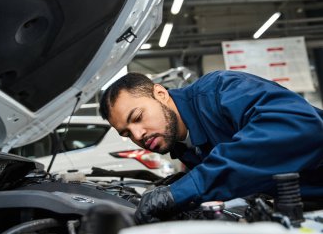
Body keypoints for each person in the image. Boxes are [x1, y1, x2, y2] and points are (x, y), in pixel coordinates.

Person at [99, 70, 323, 224]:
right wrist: (184, 187)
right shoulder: (181, 144)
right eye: (127, 133)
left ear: (160, 93)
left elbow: (300, 127)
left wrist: (192, 186)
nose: (138, 135)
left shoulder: (219, 91)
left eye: (138, 117)